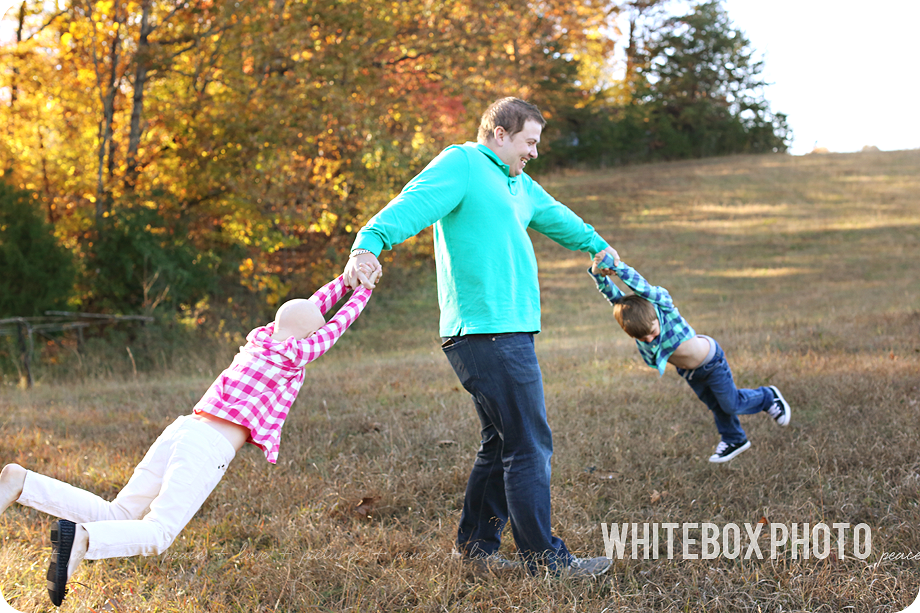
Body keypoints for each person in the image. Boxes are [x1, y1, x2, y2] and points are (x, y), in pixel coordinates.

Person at [343, 97, 615, 577]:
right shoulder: (464, 162)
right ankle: (545, 560)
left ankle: (475, 549)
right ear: (500, 133)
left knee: (501, 440)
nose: (533, 151)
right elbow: (412, 203)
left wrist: (596, 245)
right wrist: (368, 244)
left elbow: (558, 216)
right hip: (486, 331)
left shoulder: (519, 185)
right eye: (528, 141)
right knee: (529, 442)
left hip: (510, 330)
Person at [0, 268, 377, 607]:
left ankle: (22, 482)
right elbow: (335, 325)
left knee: (120, 512)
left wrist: (346, 281)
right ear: (310, 335)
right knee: (158, 532)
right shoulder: (297, 352)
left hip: (185, 428)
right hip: (209, 445)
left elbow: (308, 311)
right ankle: (81, 541)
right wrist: (365, 289)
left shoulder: (260, 338)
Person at [588, 252, 790, 462]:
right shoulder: (638, 324)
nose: (648, 339)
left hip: (711, 362)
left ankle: (767, 397)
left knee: (731, 404)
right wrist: (598, 275)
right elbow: (615, 299)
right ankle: (734, 438)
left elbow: (642, 286)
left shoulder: (663, 308)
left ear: (656, 316)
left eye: (652, 332)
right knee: (716, 406)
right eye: (641, 337)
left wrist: (618, 268)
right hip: (689, 372)